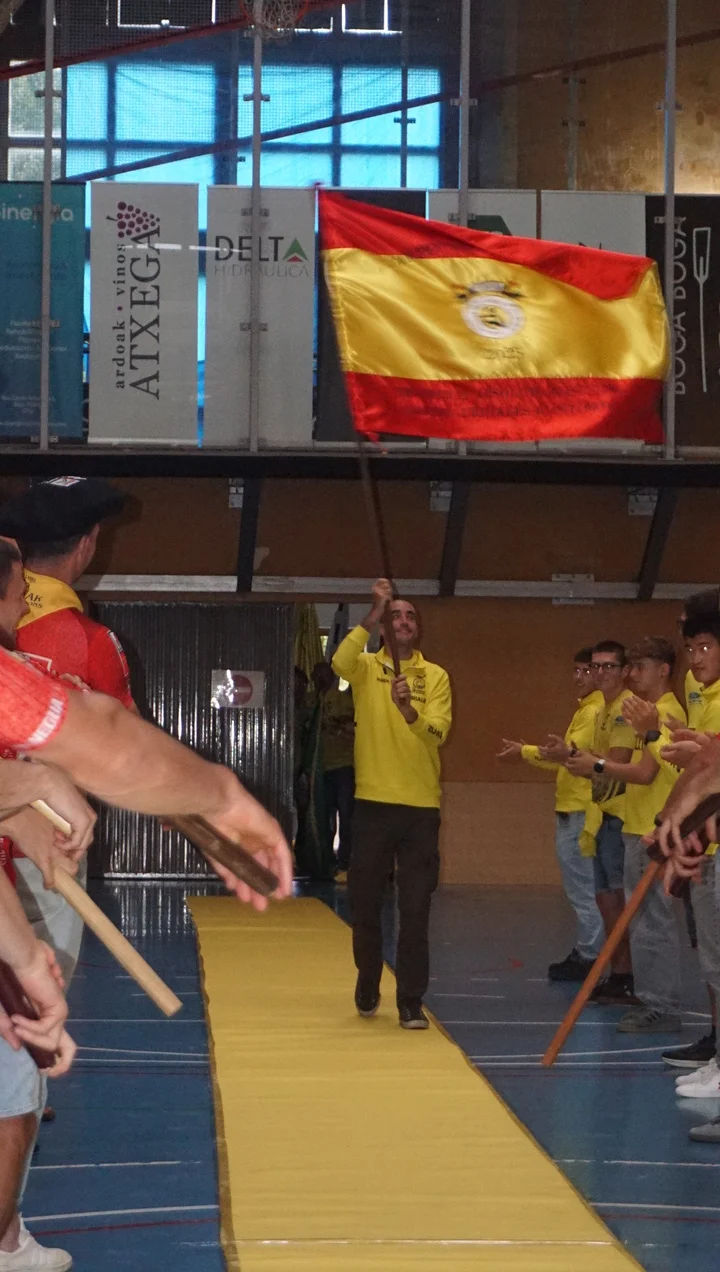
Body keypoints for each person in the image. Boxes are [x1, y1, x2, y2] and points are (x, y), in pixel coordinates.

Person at [0, 478, 135, 988]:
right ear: (88, 542)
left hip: (14, 837)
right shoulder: (89, 641)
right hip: (52, 846)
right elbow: (125, 745)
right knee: (39, 997)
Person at [332, 579, 452, 1030]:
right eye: (394, 615)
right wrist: (372, 610)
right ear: (384, 627)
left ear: (417, 628)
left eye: (409, 616)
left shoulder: (435, 676)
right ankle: (368, 977)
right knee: (365, 905)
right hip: (373, 805)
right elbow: (339, 663)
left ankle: (410, 1000)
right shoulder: (365, 668)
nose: (403, 621)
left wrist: (409, 712)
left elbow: (439, 732)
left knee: (415, 909)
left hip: (420, 809)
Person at [568, 637, 685, 1033]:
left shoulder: (665, 713)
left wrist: (596, 765)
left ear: (663, 670)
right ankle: (650, 998)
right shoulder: (644, 712)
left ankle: (661, 1005)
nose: (632, 675)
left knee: (654, 922)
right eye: (631, 667)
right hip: (636, 826)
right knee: (643, 921)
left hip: (653, 829)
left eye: (640, 667)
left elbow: (646, 773)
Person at [497, 647, 603, 981]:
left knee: (585, 890)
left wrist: (531, 751)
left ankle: (591, 956)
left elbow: (576, 758)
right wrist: (526, 751)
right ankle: (592, 952)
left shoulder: (596, 711)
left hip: (580, 811)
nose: (579, 677)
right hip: (573, 808)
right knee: (584, 889)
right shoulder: (585, 710)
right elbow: (563, 758)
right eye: (576, 670)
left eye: (587, 670)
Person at [654, 612, 720, 1089]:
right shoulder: (704, 698)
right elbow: (707, 766)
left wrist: (674, 821)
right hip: (710, 844)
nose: (696, 658)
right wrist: (672, 822)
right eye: (691, 648)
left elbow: (709, 767)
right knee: (713, 959)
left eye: (705, 646)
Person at [578, 641, 636, 1005]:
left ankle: (629, 975)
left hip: (620, 815)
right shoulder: (601, 709)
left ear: (625, 671)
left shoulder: (625, 709)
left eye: (609, 666)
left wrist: (587, 761)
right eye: (595, 667)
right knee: (605, 900)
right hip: (601, 813)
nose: (601, 673)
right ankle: (619, 973)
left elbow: (617, 762)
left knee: (619, 899)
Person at [311, 661, 355, 883]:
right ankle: (324, 862)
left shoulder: (343, 698)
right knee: (323, 818)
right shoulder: (311, 701)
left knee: (347, 817)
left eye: (324, 674)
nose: (320, 679)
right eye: (316, 675)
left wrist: (338, 726)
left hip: (344, 767)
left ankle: (345, 862)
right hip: (320, 770)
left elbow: (354, 727)